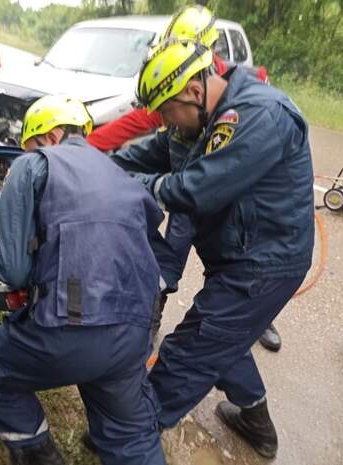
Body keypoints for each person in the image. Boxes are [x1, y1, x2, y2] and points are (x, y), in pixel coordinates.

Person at [116, 38, 313, 459]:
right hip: (235, 252)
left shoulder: (260, 115)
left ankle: (127, 434)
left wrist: (131, 186)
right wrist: (100, 163)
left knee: (191, 350)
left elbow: (195, 190)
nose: (166, 122)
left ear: (193, 91)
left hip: (265, 264)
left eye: (168, 112)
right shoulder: (196, 119)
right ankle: (257, 424)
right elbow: (154, 151)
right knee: (225, 337)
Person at [0, 95, 169, 465]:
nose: (27, 154)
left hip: (69, 327)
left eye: (30, 146)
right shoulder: (121, 175)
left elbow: (12, 272)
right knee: (130, 434)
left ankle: (38, 453)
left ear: (51, 135)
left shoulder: (31, 167)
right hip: (134, 330)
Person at [91, 4, 281, 352]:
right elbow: (145, 128)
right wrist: (89, 152)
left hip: (219, 202)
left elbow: (230, 169)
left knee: (235, 295)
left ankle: (260, 318)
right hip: (185, 190)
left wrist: (128, 183)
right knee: (166, 265)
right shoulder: (177, 85)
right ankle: (151, 316)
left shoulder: (235, 94)